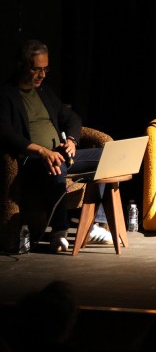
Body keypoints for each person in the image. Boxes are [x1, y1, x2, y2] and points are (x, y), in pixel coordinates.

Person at [0, 39, 113, 252]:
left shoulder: (43, 92)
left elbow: (72, 118)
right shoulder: (6, 94)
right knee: (56, 164)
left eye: (45, 69)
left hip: (60, 154)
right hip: (33, 160)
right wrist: (42, 151)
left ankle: (95, 225)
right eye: (37, 69)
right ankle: (59, 231)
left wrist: (71, 141)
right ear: (21, 65)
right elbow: (5, 133)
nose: (42, 75)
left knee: (109, 156)